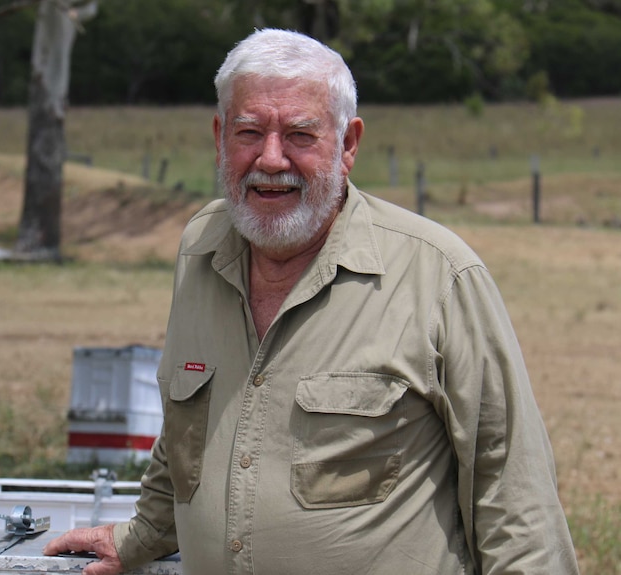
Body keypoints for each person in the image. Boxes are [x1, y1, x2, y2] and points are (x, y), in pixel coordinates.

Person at [44, 28, 579, 575]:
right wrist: (142, 536)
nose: (271, 160)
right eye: (248, 131)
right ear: (219, 136)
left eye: (300, 135)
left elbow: (513, 492)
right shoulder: (199, 248)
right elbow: (189, 434)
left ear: (348, 144)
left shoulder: (438, 274)